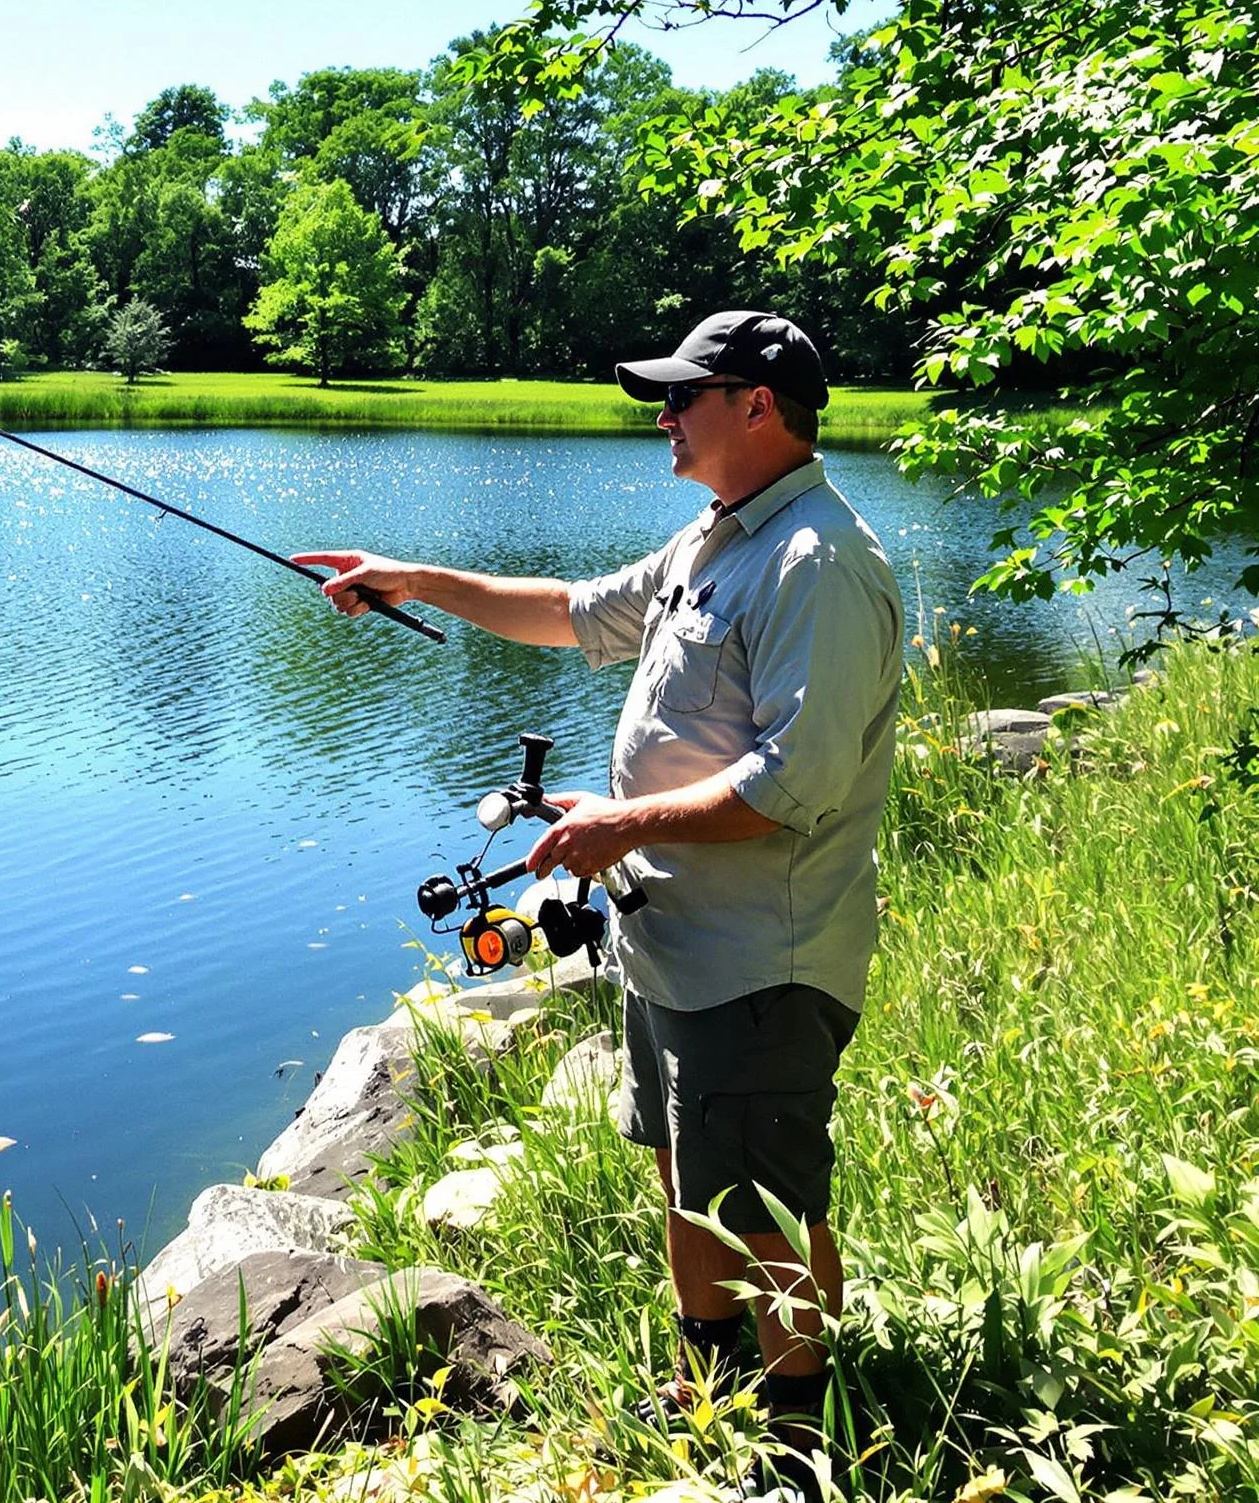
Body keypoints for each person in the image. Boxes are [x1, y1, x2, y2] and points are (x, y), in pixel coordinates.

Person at [294, 309, 903, 1469]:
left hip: (758, 962)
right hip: (671, 941)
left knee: (769, 1207)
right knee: (685, 1171)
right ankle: (708, 1386)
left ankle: (795, 1445)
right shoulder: (713, 540)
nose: (661, 416)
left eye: (681, 396)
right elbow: (570, 611)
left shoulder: (813, 561)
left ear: (757, 405)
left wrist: (615, 818)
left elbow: (795, 783)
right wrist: (410, 577)